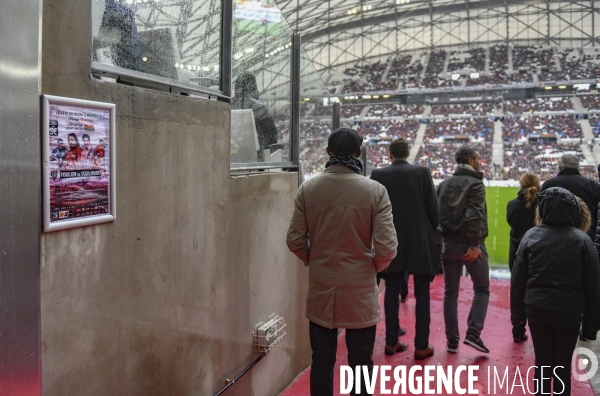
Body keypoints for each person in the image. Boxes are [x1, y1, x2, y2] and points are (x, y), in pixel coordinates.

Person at [286, 127, 397, 396]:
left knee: (322, 362)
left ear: (328, 152)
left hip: (323, 286)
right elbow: (387, 248)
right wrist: (373, 267)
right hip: (360, 288)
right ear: (358, 153)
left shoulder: (308, 188)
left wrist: (316, 260)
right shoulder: (375, 191)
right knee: (361, 365)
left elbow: (294, 240)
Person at [512, 187, 600, 396]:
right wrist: (590, 328)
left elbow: (518, 282)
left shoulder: (531, 235)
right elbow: (593, 287)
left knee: (542, 363)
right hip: (568, 312)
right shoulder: (582, 240)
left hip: (537, 309)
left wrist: (518, 320)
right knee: (562, 366)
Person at [370, 138, 439, 360]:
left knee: (390, 290)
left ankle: (390, 342)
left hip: (390, 239)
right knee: (422, 292)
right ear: (408, 153)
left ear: (390, 154)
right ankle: (421, 346)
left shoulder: (378, 174)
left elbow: (374, 210)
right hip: (419, 241)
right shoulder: (422, 172)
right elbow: (433, 209)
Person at [437, 146, 490, 353]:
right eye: (478, 158)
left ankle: (452, 342)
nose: (480, 162)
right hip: (470, 246)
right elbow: (474, 215)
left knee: (450, 293)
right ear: (470, 160)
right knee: (482, 289)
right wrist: (475, 245)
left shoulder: (444, 184)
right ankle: (473, 334)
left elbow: (435, 215)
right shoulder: (476, 184)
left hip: (448, 245)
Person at [506, 171, 540, 343]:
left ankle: (517, 330)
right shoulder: (542, 204)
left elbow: (511, 223)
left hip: (517, 251)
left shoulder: (513, 204)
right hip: (538, 253)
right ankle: (539, 332)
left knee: (517, 292)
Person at [541, 154, 600, 242]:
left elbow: (541, 214)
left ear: (560, 168)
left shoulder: (548, 185)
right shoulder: (593, 186)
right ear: (578, 168)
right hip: (587, 240)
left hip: (554, 241)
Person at [231, 72, 278, 160]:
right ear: (253, 86)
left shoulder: (226, 105)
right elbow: (273, 138)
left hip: (230, 158)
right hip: (257, 160)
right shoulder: (261, 108)